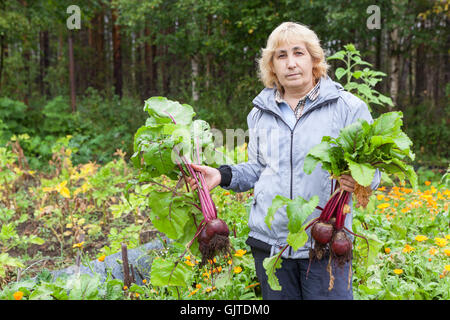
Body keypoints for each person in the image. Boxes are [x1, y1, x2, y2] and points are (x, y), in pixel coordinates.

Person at [186, 21, 380, 300]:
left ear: (314, 60)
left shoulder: (348, 108)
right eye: (281, 56)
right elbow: (257, 168)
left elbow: (371, 171)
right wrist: (222, 175)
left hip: (323, 241)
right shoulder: (259, 113)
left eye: (298, 53)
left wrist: (358, 179)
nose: (291, 63)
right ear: (271, 66)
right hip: (271, 246)